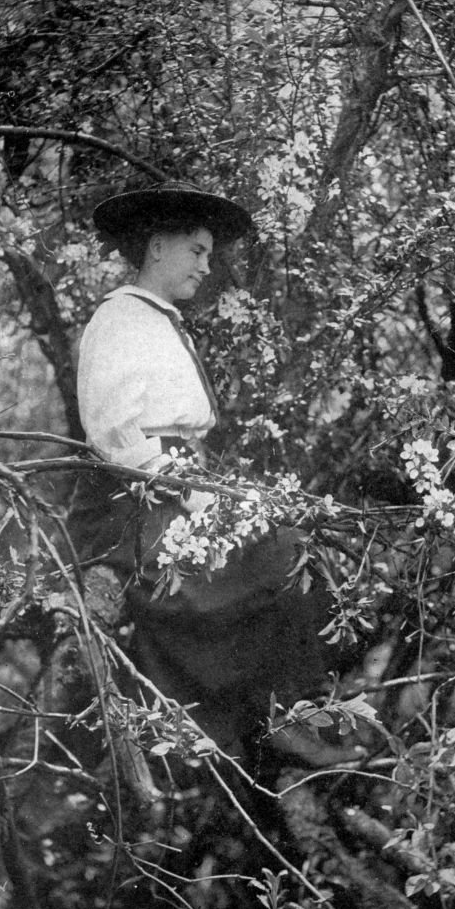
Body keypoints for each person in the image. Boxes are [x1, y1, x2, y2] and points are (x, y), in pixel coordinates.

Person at [67, 182, 351, 762]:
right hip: (136, 502)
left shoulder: (159, 320)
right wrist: (194, 496)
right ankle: (276, 720)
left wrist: (218, 494)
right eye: (196, 250)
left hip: (179, 485)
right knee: (278, 556)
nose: (206, 263)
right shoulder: (120, 319)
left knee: (298, 552)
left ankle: (291, 714)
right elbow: (112, 433)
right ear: (155, 247)